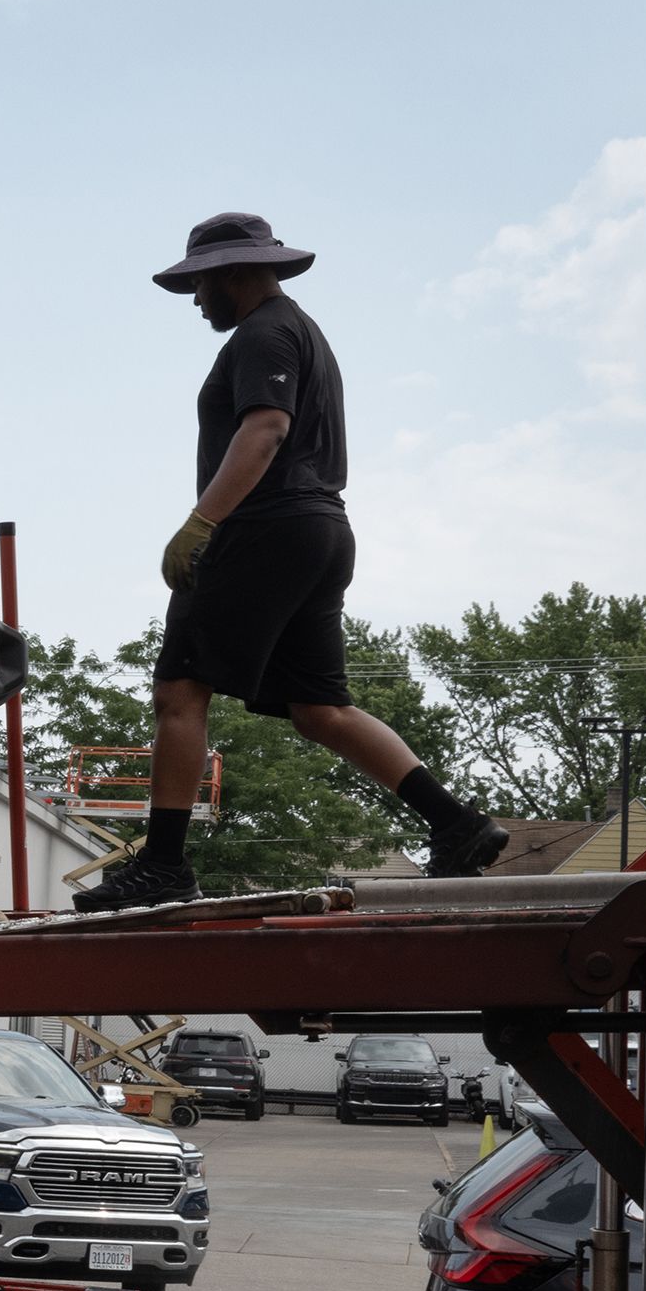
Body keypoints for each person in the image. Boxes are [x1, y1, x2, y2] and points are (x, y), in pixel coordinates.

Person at [75, 213, 508, 912]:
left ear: (235, 272)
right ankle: (455, 822)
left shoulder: (265, 331)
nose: (196, 300)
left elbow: (267, 427)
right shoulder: (302, 331)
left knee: (180, 691)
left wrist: (200, 523)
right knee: (320, 708)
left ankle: (162, 864)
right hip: (321, 531)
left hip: (264, 528)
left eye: (202, 283)